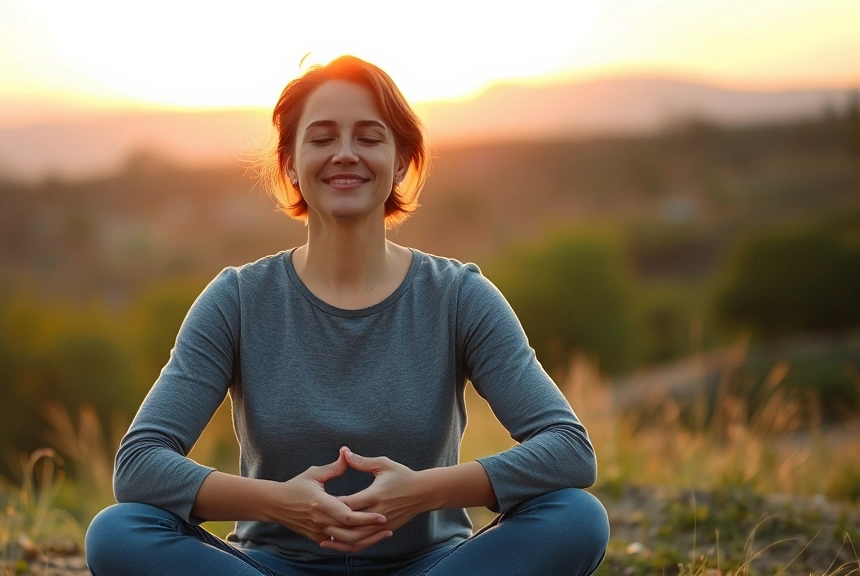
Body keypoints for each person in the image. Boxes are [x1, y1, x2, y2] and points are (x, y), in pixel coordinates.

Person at [84, 55, 609, 576]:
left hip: (431, 566)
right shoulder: (238, 300)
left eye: (368, 136)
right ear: (290, 162)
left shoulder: (459, 297)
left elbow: (567, 450)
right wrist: (280, 503)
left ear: (401, 159)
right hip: (269, 568)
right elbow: (140, 464)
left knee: (576, 516)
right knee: (118, 532)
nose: (344, 154)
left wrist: (421, 493)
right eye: (321, 137)